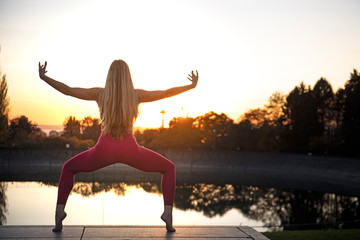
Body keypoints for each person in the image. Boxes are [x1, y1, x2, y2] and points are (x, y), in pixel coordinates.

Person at [38, 60, 198, 232]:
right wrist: (190, 86)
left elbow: (68, 90)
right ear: (128, 77)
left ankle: (59, 213)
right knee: (169, 168)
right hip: (130, 150)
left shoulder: (100, 94)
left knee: (68, 168)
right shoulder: (136, 95)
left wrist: (44, 77)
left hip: (103, 150)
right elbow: (166, 93)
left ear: (110, 76)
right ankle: (168, 215)